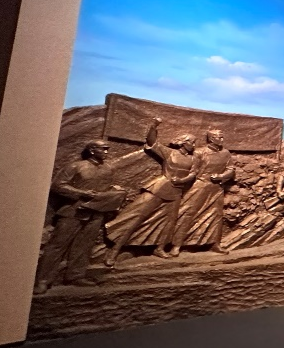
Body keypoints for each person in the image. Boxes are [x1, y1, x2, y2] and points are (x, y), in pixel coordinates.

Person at [34, 140, 127, 292]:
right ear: (92, 150)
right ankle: (42, 280)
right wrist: (81, 193)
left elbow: (106, 187)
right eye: (103, 149)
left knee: (84, 245)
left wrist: (115, 192)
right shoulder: (75, 166)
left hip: (96, 212)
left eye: (107, 149)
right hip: (73, 211)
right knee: (57, 246)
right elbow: (58, 185)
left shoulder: (108, 168)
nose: (106, 152)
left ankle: (76, 276)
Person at [105, 118, 198, 263]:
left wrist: (181, 180)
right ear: (183, 143)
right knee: (137, 218)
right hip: (159, 188)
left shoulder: (193, 159)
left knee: (170, 222)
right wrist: (154, 126)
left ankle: (159, 248)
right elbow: (152, 142)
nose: (194, 145)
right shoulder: (169, 153)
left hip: (176, 192)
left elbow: (193, 174)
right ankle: (115, 250)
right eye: (192, 142)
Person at [172, 128, 236, 255]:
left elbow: (231, 170)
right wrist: (181, 180)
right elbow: (193, 172)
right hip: (200, 186)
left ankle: (215, 244)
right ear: (211, 139)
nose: (222, 139)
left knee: (217, 216)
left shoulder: (226, 153)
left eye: (222, 137)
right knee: (188, 213)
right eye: (219, 137)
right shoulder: (200, 152)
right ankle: (176, 245)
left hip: (216, 188)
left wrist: (221, 176)